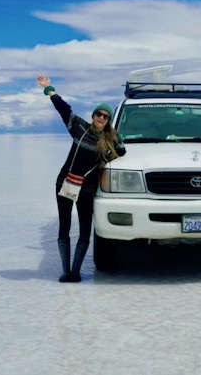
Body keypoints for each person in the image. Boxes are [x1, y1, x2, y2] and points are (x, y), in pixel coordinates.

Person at [37, 73, 125, 283]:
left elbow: (122, 152)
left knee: (85, 230)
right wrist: (49, 89)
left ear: (108, 121)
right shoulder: (80, 129)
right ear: (93, 115)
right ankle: (66, 272)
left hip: (86, 189)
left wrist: (112, 136)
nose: (101, 118)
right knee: (64, 226)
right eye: (99, 114)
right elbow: (63, 109)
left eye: (105, 116)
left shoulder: (108, 142)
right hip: (65, 183)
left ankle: (76, 272)